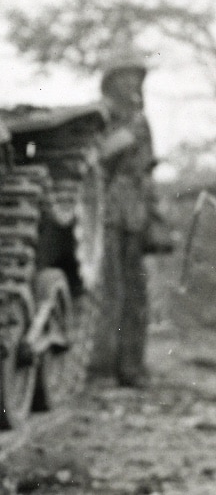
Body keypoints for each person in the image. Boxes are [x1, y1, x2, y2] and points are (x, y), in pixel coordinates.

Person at [91, 43, 155, 388]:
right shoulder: (101, 117)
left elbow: (146, 171)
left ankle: (131, 368)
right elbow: (98, 157)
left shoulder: (139, 121)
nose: (132, 84)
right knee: (110, 290)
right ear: (112, 81)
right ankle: (102, 369)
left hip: (134, 215)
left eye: (136, 78)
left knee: (136, 294)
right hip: (108, 214)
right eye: (125, 77)